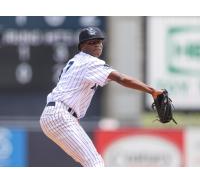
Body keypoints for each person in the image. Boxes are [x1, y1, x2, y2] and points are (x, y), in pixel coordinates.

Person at [40, 27, 163, 167]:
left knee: (89, 162)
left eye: (99, 41)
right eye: (92, 42)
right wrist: (151, 90)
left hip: (53, 114)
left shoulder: (75, 61)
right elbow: (121, 78)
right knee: (95, 163)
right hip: (60, 115)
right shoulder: (89, 62)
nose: (97, 45)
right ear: (82, 46)